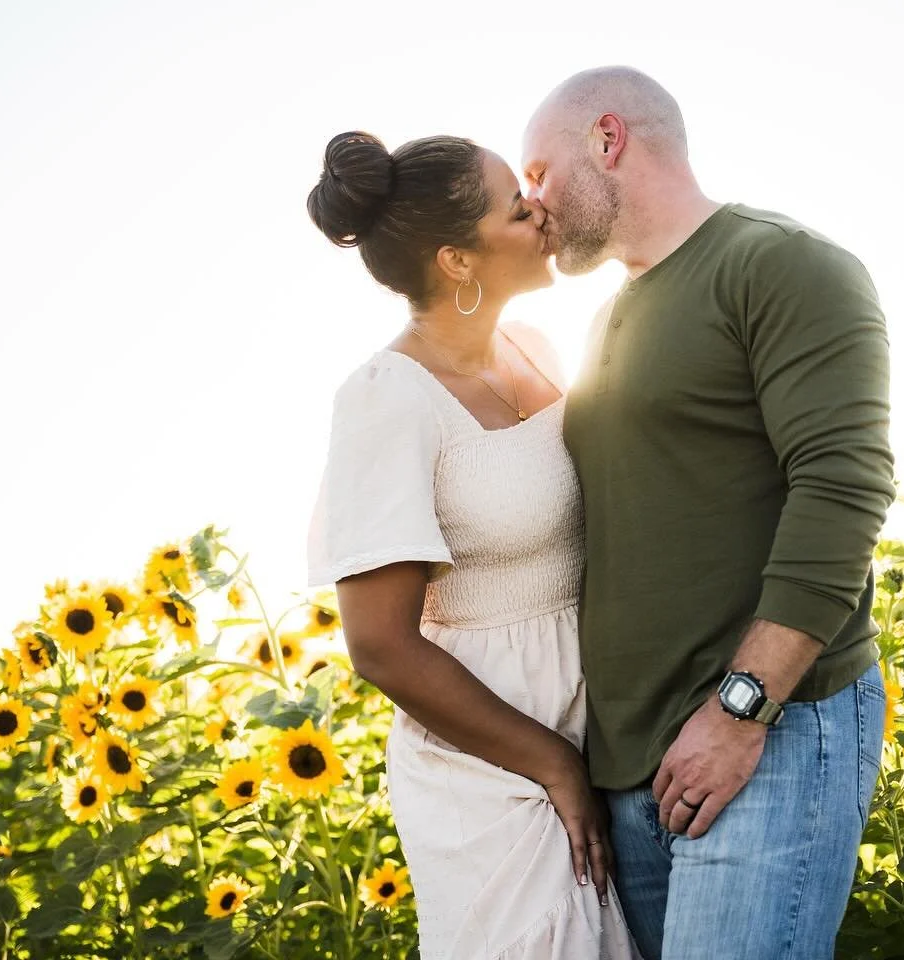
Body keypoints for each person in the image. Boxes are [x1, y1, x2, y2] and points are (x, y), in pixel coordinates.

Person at [521, 66, 897, 959]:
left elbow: (844, 487)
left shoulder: (780, 263)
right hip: (632, 768)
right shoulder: (608, 320)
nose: (530, 204)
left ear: (607, 139)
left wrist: (740, 711)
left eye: (538, 174)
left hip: (768, 733)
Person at [303, 131, 640, 959]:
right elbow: (380, 645)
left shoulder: (536, 351)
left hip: (598, 730)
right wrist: (552, 766)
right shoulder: (388, 400)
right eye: (518, 209)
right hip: (492, 764)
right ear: (458, 261)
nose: (543, 213)